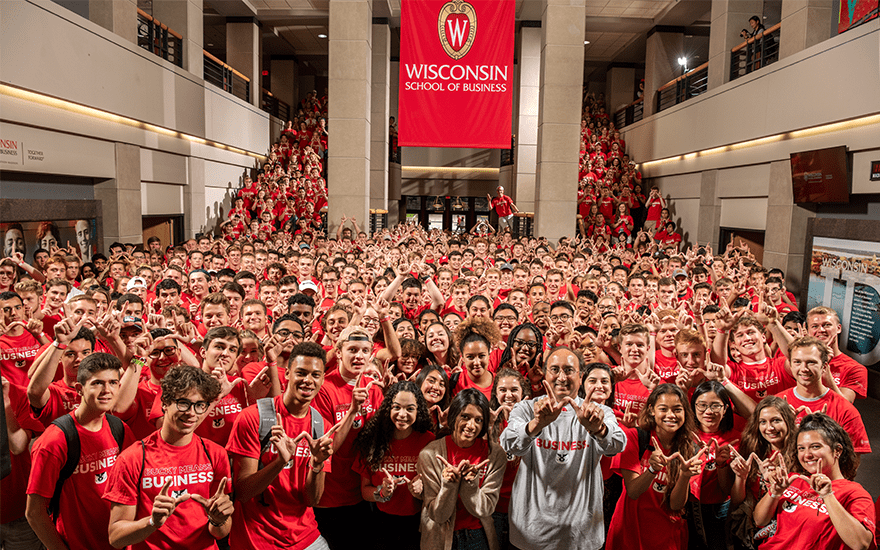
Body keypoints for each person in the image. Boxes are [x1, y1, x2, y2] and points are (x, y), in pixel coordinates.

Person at [500, 346, 626, 550]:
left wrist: (598, 429)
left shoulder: (598, 412)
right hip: (531, 533)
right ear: (544, 373)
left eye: (568, 370)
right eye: (555, 370)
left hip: (581, 534)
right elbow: (509, 443)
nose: (561, 377)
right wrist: (536, 425)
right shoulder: (525, 409)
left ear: (580, 376)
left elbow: (617, 444)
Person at [104, 365, 235, 549]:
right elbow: (116, 537)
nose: (191, 413)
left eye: (200, 406)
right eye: (183, 403)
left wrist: (218, 520)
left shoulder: (215, 454)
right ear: (164, 403)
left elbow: (220, 531)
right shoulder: (132, 458)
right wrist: (152, 522)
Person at [226, 342, 337, 549]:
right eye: (301, 373)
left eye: (315, 375)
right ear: (286, 374)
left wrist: (318, 464)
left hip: (305, 536)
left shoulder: (322, 426)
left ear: (322, 379)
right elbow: (242, 492)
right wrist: (279, 462)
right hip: (257, 540)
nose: (308, 381)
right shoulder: (253, 417)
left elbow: (312, 499)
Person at [26, 353, 135, 550]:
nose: (107, 390)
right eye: (97, 383)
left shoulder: (119, 428)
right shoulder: (54, 440)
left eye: (113, 382)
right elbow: (34, 512)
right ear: (79, 389)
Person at [752, 413, 875, 550]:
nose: (807, 455)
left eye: (815, 447)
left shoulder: (855, 493)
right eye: (801, 448)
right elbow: (759, 520)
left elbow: (861, 544)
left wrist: (828, 495)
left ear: (837, 450)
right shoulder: (792, 480)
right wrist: (774, 492)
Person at [606, 384, 703, 550]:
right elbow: (634, 492)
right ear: (652, 410)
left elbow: (675, 505)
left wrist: (685, 476)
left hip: (667, 538)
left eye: (677, 409)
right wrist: (652, 470)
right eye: (663, 409)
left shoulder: (692, 451)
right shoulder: (634, 438)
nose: (671, 415)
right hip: (628, 535)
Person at [418, 388, 507, 550]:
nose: (471, 426)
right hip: (439, 536)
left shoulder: (495, 454)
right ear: (454, 416)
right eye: (465, 417)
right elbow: (438, 515)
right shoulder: (430, 454)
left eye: (479, 420)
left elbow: (485, 508)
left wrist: (471, 485)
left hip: (479, 536)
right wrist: (448, 484)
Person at [353, 381, 434, 550]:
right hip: (381, 523)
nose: (402, 414)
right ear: (388, 408)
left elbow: (437, 489)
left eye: (410, 408)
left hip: (417, 524)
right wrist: (381, 492)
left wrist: (422, 490)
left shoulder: (429, 441)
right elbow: (365, 490)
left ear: (418, 411)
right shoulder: (373, 440)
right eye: (397, 407)